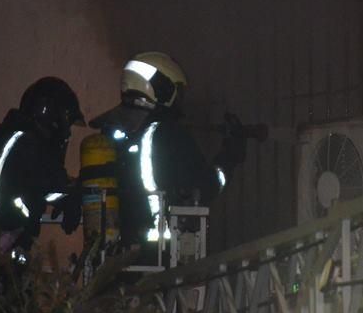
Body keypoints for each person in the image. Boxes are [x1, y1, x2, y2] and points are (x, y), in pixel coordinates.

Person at [89, 52, 246, 247]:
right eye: (177, 90)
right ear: (162, 89)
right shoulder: (168, 134)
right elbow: (205, 186)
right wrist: (229, 157)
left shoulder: (111, 132)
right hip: (158, 256)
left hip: (111, 253)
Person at [0, 76, 85, 253]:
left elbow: (30, 182)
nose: (67, 133)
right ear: (54, 117)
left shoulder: (5, 136)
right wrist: (73, 194)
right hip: (0, 242)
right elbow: (51, 183)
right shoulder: (30, 145)